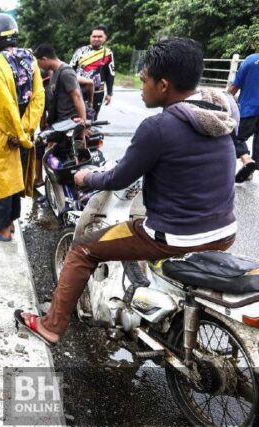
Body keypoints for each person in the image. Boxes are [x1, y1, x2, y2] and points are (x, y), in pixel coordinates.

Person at [16, 37, 238, 345]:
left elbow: (117, 179)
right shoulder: (220, 115)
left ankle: (51, 326)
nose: (141, 87)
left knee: (83, 248)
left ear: (163, 85)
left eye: (144, 81)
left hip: (174, 236)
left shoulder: (158, 127)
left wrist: (85, 178)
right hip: (224, 232)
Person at [0, 14, 44, 240]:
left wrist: (15, 132)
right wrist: (25, 130)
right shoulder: (30, 58)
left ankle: (3, 230)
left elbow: (4, 105)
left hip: (2, 132)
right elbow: (38, 98)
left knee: (0, 181)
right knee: (14, 179)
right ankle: (11, 225)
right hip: (22, 132)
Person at [35, 43, 88, 125]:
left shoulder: (66, 72)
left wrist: (83, 121)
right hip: (59, 121)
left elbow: (77, 96)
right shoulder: (53, 72)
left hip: (69, 120)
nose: (39, 66)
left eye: (39, 63)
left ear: (44, 59)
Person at [70, 26, 115, 119]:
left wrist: (109, 93)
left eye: (99, 37)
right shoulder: (80, 51)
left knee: (93, 116)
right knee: (77, 116)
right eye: (94, 36)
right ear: (90, 37)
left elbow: (110, 74)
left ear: (105, 38)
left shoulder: (108, 53)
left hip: (98, 91)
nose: (96, 39)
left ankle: (90, 131)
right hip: (80, 89)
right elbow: (70, 70)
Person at [228, 53, 259, 182]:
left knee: (235, 137)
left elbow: (235, 86)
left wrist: (226, 100)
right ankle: (251, 170)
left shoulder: (251, 60)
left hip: (249, 109)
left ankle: (246, 159)